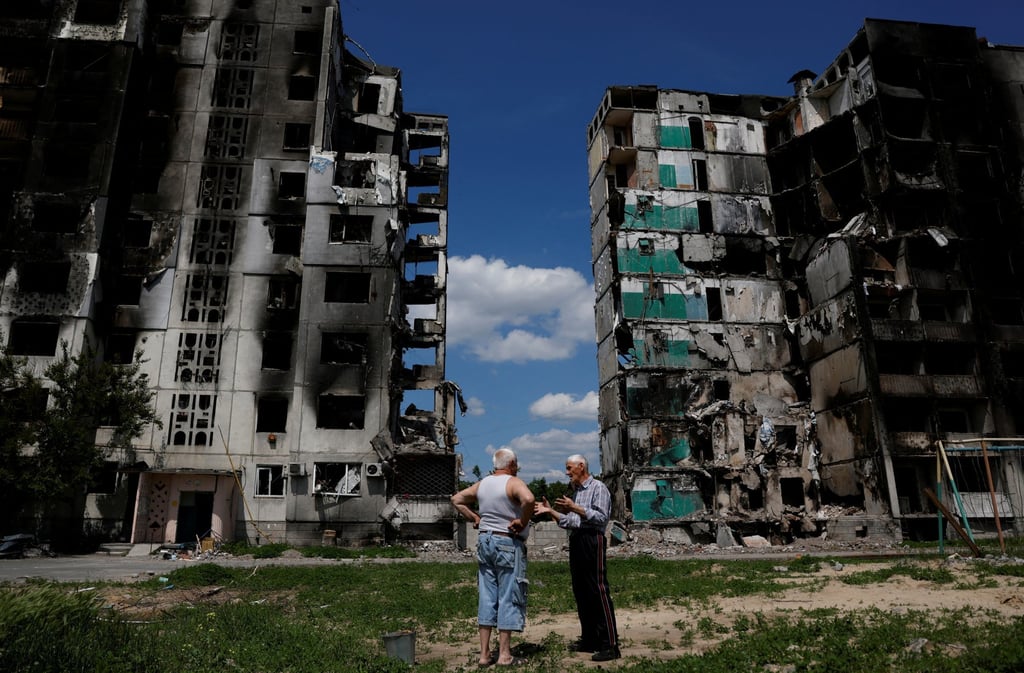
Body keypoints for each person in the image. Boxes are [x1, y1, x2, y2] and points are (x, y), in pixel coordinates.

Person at [451, 449, 536, 666]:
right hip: (506, 541)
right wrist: (522, 522)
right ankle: (505, 655)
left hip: (485, 541)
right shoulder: (513, 482)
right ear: (513, 464)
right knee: (508, 594)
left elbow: (457, 499)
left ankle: (484, 654)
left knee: (487, 596)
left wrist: (475, 517)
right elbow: (528, 499)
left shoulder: (483, 483)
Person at [535, 454, 620, 662]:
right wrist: (550, 511)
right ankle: (590, 639)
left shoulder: (597, 488)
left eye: (569, 468)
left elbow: (601, 517)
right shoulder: (577, 492)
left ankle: (610, 643)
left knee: (598, 590)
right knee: (581, 591)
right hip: (577, 540)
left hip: (593, 540)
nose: (567, 472)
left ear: (581, 467)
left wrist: (575, 508)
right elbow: (569, 522)